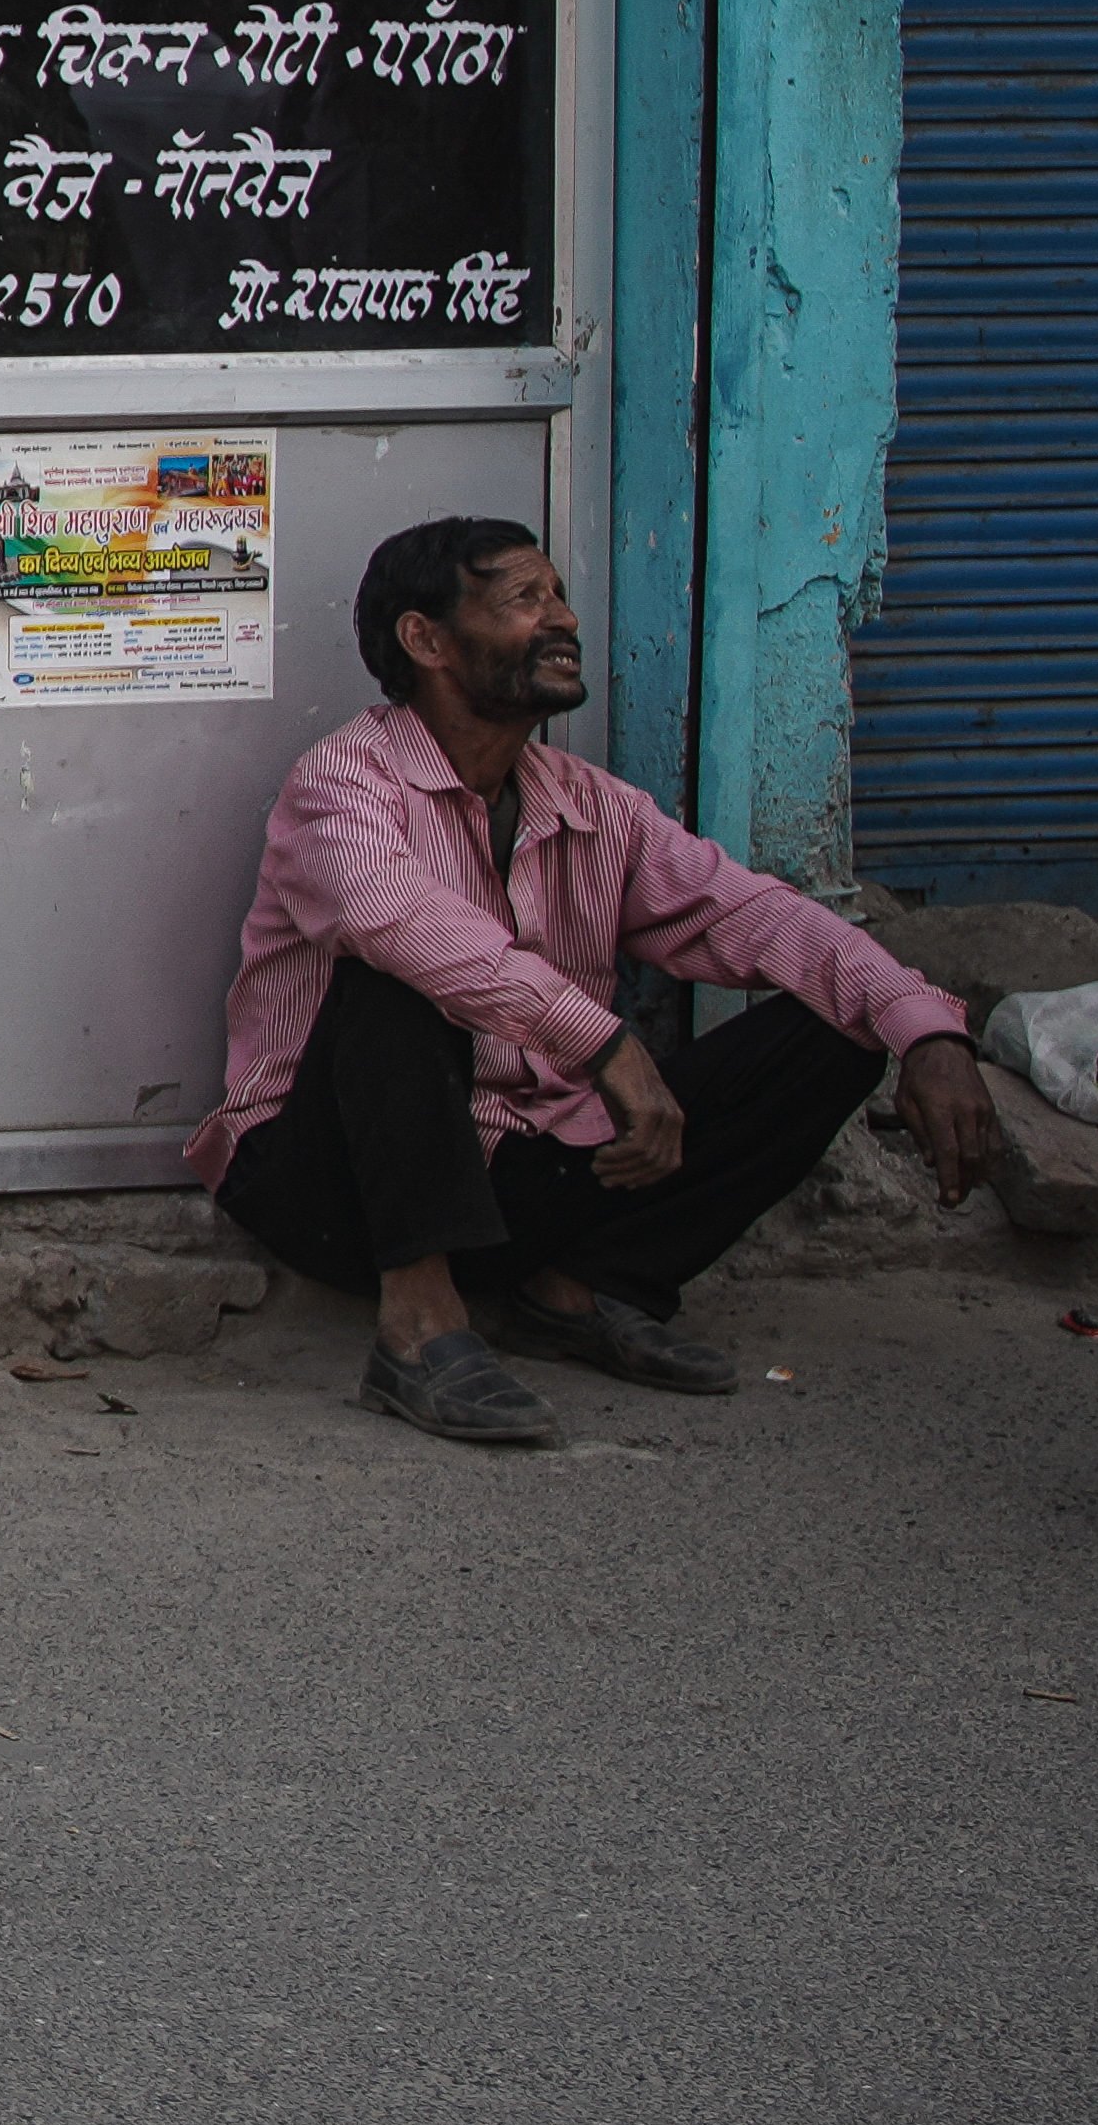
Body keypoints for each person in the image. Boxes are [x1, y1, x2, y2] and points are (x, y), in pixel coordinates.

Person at [205, 516, 1008, 1447]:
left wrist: (927, 1030)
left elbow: (754, 915)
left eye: (559, 596)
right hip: (334, 1186)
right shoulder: (341, 786)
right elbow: (402, 923)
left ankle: (586, 1287)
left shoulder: (592, 804)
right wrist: (607, 1042)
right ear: (424, 640)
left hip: (515, 1166)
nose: (563, 620)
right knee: (398, 978)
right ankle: (419, 1328)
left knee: (837, 1027)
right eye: (522, 601)